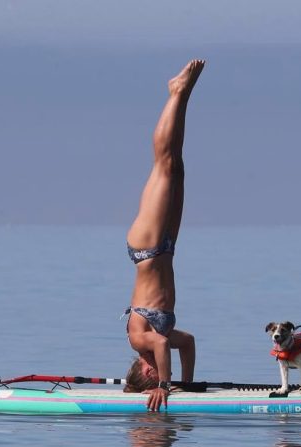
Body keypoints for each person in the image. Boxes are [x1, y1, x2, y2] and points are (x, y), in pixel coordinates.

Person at [122, 59, 204, 411]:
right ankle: (183, 97)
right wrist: (185, 384)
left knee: (163, 164)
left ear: (144, 370)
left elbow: (160, 346)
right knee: (177, 165)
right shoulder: (165, 339)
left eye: (154, 379)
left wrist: (167, 387)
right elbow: (188, 343)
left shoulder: (141, 341)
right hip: (166, 246)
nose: (158, 378)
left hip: (147, 247)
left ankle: (176, 92)